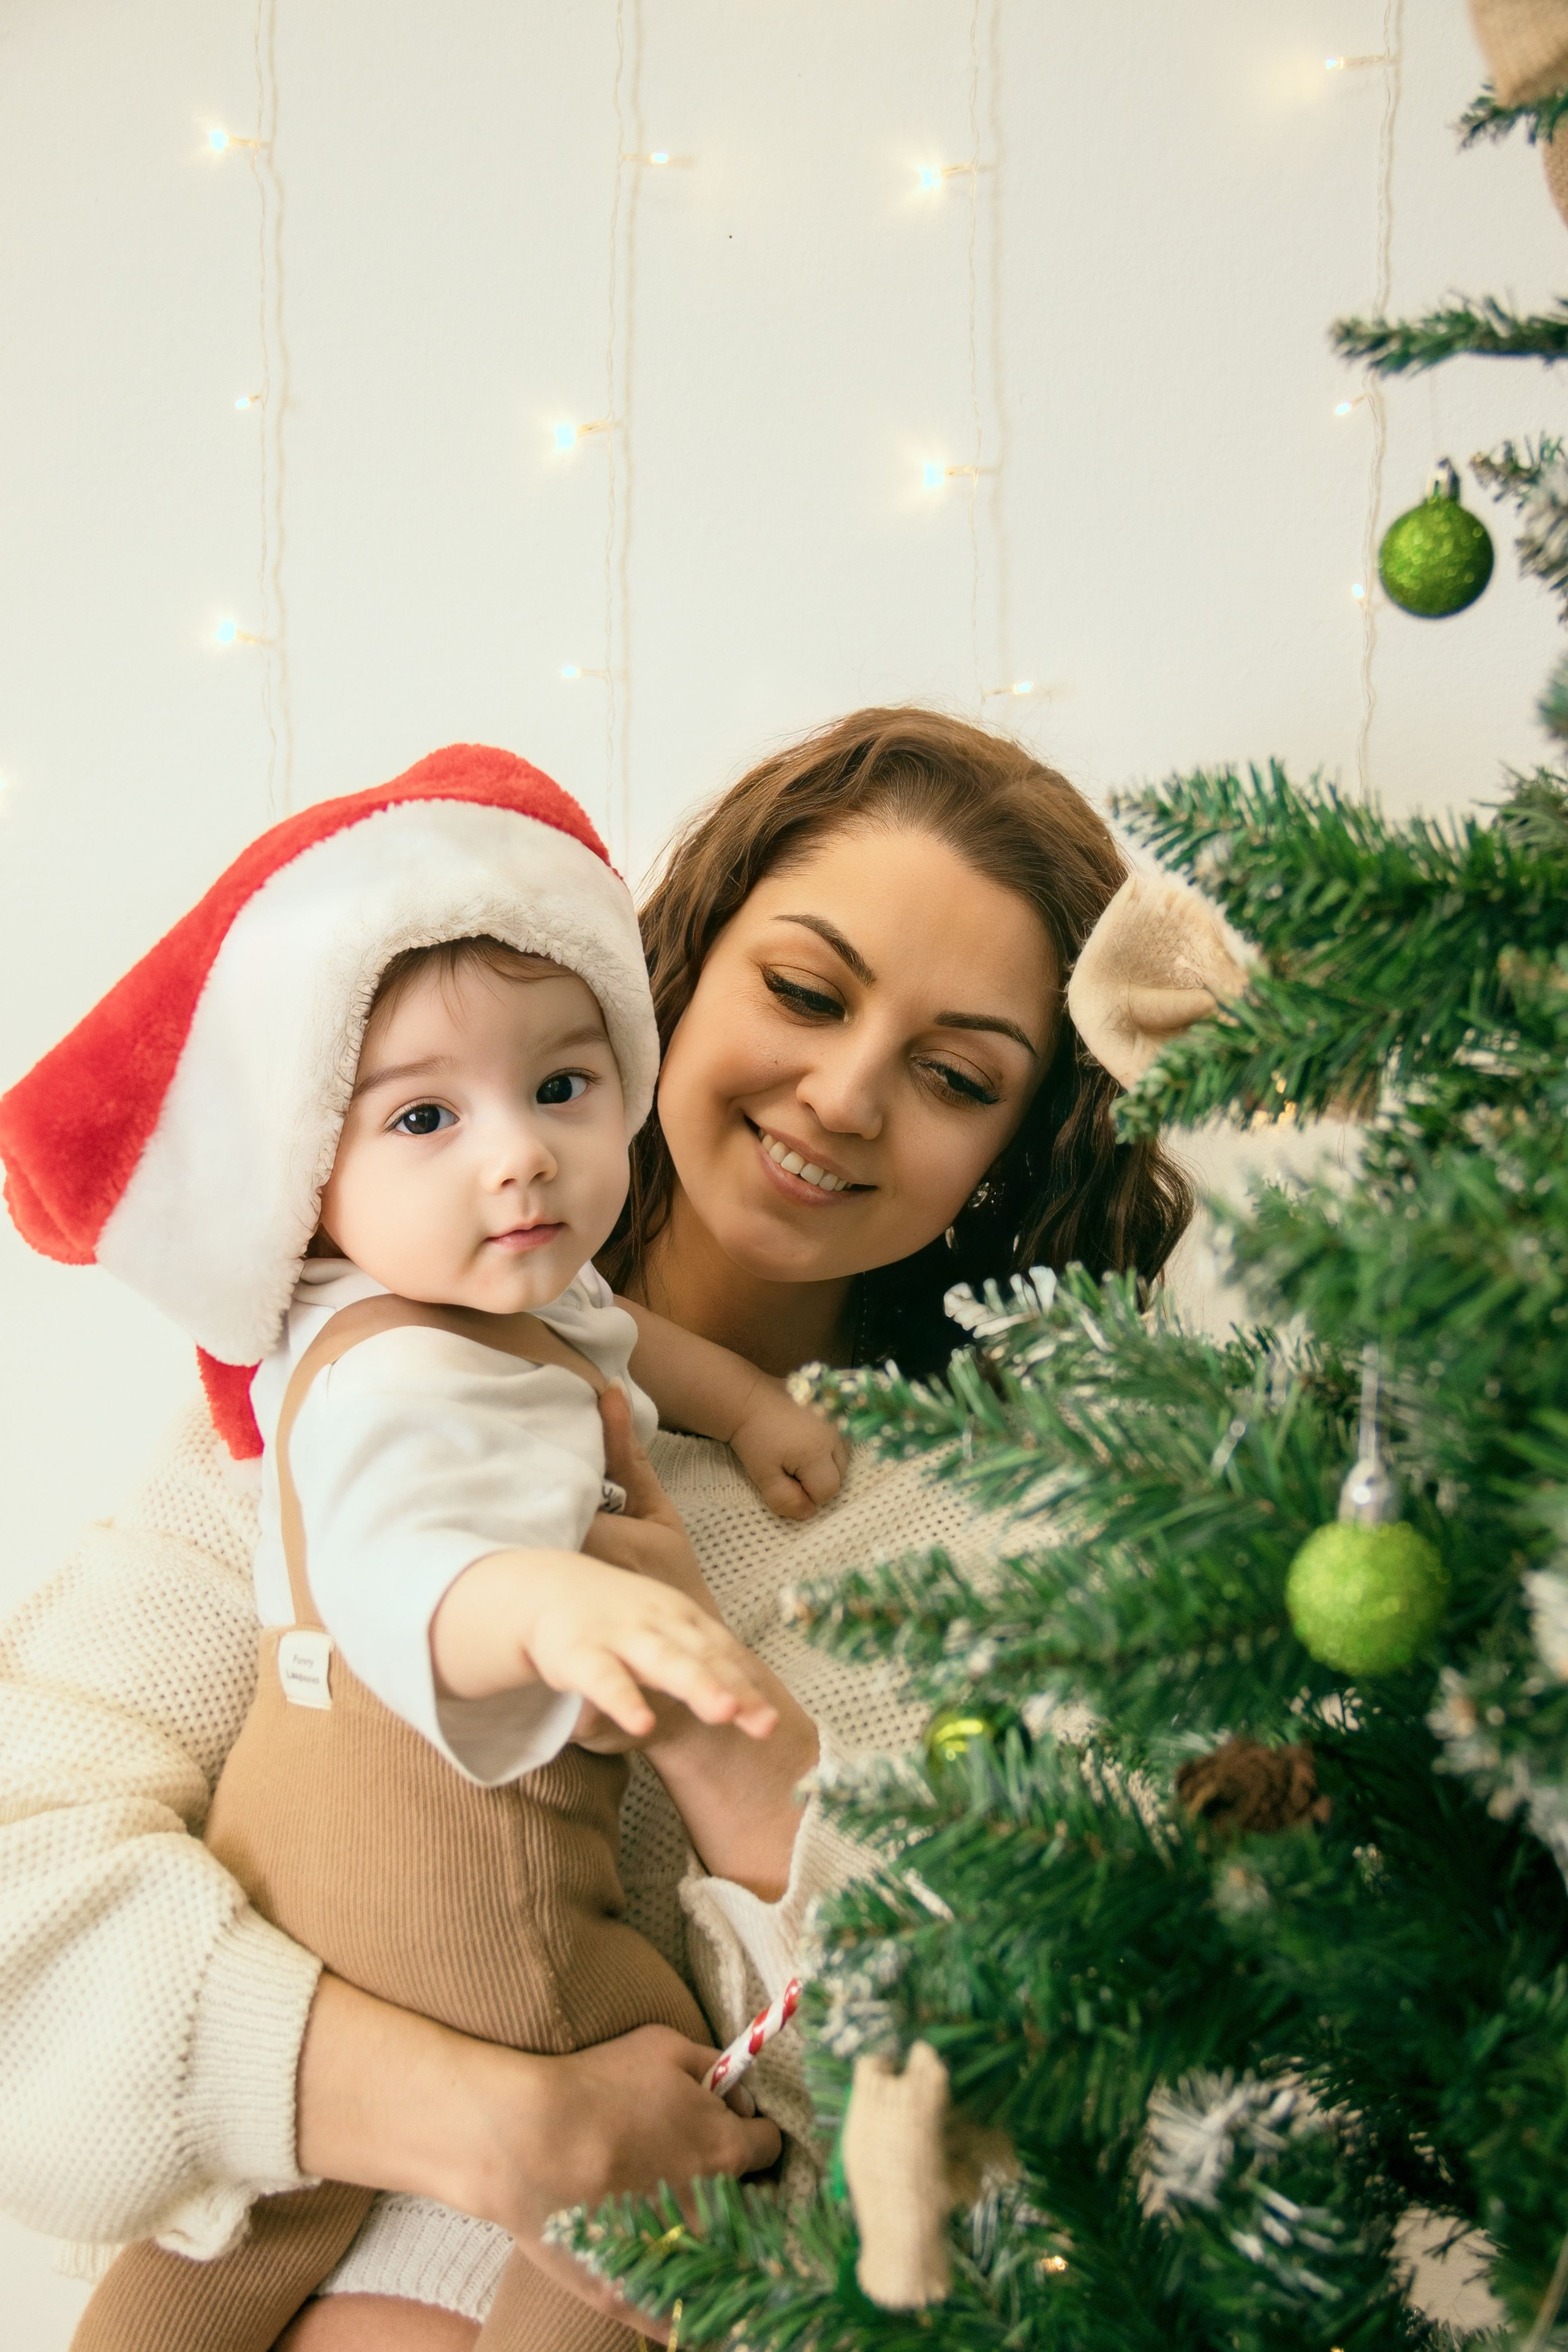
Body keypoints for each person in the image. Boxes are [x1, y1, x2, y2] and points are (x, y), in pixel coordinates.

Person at [0, 708, 1196, 2350]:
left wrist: (742, 1764)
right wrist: (478, 2121)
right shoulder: (346, 1393)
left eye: (953, 1076)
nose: (846, 1095)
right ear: (677, 972)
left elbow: (1037, 2120)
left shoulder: (1041, 1548)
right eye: (805, 990)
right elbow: (27, 1879)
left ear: (1014, 1144)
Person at [0, 753, 851, 2351]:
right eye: (425, 1116)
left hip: (385, 1945)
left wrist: (750, 1419)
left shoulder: (550, 1305)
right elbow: (397, 1562)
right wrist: (554, 1601)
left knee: (241, 2252)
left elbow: (634, 1350)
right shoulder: (384, 1370)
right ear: (311, 1177)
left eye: (559, 1090)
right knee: (651, 2155)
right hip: (400, 1917)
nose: (516, 1155)